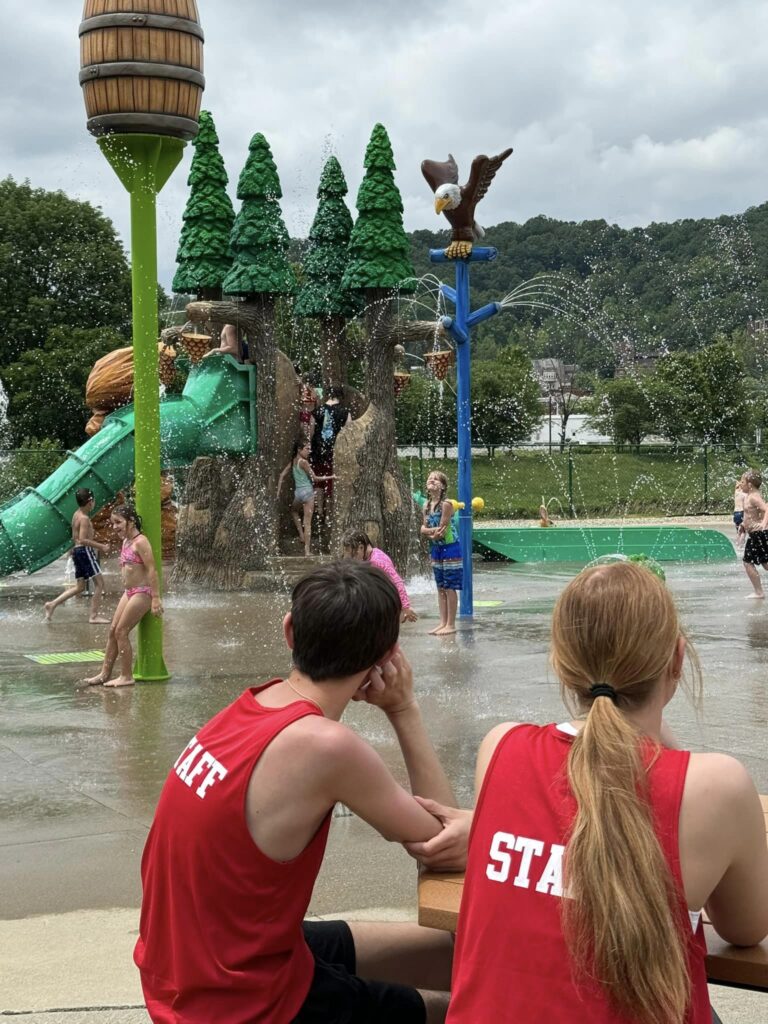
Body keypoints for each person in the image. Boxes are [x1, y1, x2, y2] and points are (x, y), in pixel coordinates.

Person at [408, 561, 768, 1024]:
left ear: (561, 662)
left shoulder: (501, 747)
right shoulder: (717, 787)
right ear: (677, 660)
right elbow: (746, 928)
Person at [134, 561, 455, 1023]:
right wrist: (403, 708)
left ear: (289, 631)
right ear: (387, 656)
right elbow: (444, 847)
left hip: (188, 970)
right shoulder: (325, 746)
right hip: (243, 1005)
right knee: (463, 1009)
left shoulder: (250, 706)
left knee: (457, 953)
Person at [83, 505, 163, 688]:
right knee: (112, 630)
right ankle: (104, 674)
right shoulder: (126, 541)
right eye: (113, 523)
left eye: (118, 522)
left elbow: (152, 570)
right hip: (129, 592)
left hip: (143, 592)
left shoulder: (140, 542)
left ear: (131, 522)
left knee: (121, 632)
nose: (115, 527)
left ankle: (126, 676)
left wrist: (156, 598)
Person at [44, 487, 110, 624]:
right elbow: (82, 539)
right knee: (99, 584)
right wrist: (101, 546)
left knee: (80, 587)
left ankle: (52, 604)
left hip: (77, 552)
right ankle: (93, 616)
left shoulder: (76, 514)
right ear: (90, 501)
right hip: (84, 551)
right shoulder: (84, 518)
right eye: (94, 500)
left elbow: (75, 537)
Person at [341, 528, 418, 622]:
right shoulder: (372, 554)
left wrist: (406, 607)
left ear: (361, 547)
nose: (352, 559)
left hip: (388, 606)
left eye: (352, 555)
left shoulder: (376, 561)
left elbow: (397, 581)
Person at [421, 471, 462, 636]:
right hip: (436, 548)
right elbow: (423, 528)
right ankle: (442, 622)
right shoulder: (426, 505)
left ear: (443, 486)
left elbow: (442, 530)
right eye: (429, 477)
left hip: (450, 548)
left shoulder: (446, 504)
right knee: (440, 587)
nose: (431, 479)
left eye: (436, 479)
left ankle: (451, 624)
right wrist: (431, 533)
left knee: (450, 586)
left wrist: (428, 532)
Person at [277, 440, 335, 556]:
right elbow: (316, 478)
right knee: (307, 523)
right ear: (299, 450)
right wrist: (331, 476)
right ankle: (307, 551)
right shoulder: (304, 462)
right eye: (307, 449)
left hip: (298, 494)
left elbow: (282, 475)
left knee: (294, 511)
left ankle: (301, 535)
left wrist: (278, 492)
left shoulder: (293, 461)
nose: (309, 451)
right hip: (308, 493)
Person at [310, 385, 352, 518]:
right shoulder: (345, 412)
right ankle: (329, 514)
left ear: (328, 394)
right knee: (331, 483)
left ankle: (319, 512)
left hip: (317, 452)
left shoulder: (317, 411)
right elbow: (348, 434)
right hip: (334, 453)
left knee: (318, 482)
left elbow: (310, 433)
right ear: (341, 396)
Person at [739, 470, 768, 598]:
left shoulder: (754, 497)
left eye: (742, 482)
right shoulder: (749, 496)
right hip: (754, 534)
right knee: (749, 561)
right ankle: (758, 592)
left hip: (759, 534)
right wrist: (744, 526)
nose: (740, 484)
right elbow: (750, 515)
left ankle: (759, 592)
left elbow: (766, 509)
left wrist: (763, 524)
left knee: (764, 564)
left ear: (750, 484)